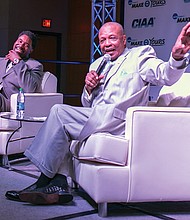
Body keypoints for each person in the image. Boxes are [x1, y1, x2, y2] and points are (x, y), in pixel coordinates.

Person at [5, 22, 190, 205]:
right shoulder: (97, 64)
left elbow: (165, 75)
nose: (107, 43)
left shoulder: (139, 56)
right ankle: (59, 185)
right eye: (102, 40)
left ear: (124, 40)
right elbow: (87, 103)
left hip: (118, 120)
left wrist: (176, 58)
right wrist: (88, 88)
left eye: (112, 38)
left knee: (59, 112)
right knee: (62, 131)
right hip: (97, 116)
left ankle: (42, 181)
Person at [0, 30, 43, 111]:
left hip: (11, 103)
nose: (21, 45)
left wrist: (17, 61)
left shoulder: (35, 65)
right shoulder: (2, 61)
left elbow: (30, 88)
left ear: (31, 50)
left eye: (26, 45)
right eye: (20, 41)